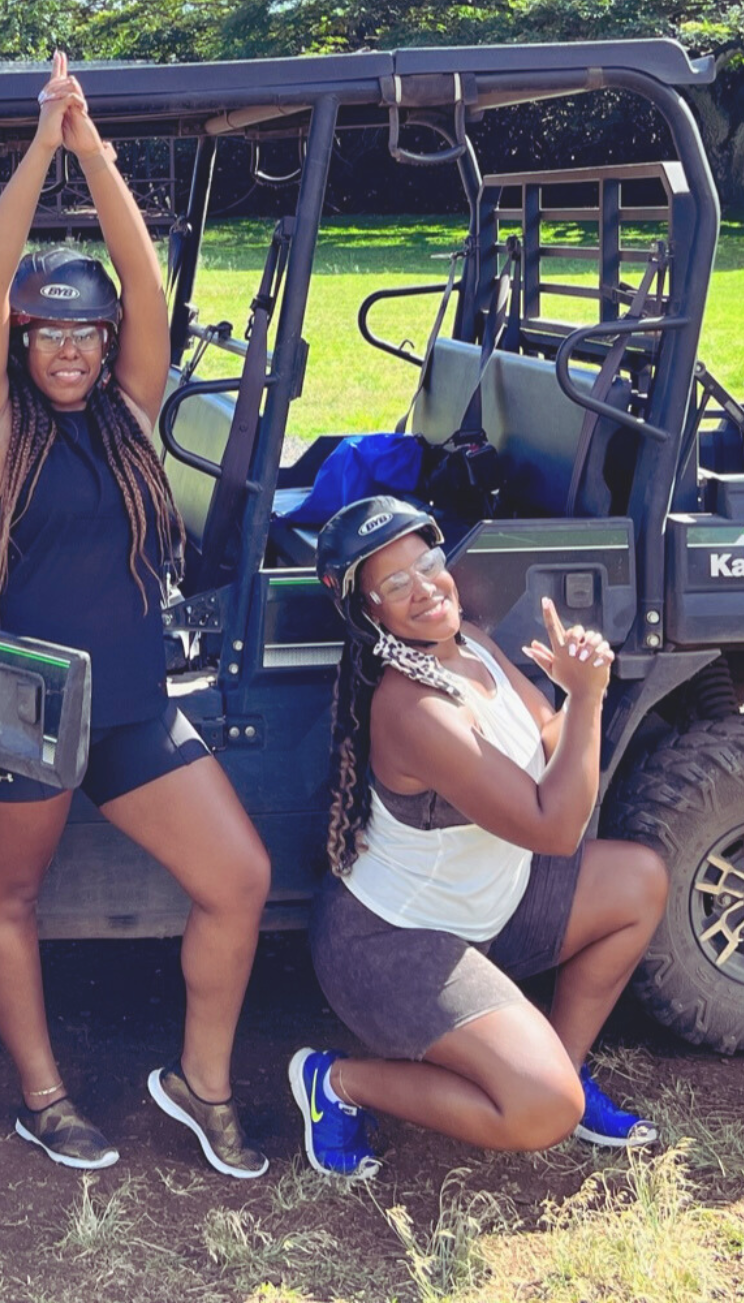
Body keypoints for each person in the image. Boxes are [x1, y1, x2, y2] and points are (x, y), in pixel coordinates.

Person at [0, 50, 272, 1177]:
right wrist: (39, 147)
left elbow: (144, 281)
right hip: (33, 709)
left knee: (237, 879)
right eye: (50, 333)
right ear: (22, 341)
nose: (72, 349)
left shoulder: (133, 412)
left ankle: (201, 1084)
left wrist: (93, 153)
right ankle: (44, 1098)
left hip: (132, 705)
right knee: (10, 896)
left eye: (86, 332)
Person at [288, 495, 667, 1178]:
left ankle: (563, 1066)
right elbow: (556, 827)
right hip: (393, 946)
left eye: (428, 563)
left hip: (490, 911)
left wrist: (574, 693)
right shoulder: (413, 708)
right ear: (369, 612)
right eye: (394, 584)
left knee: (639, 881)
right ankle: (338, 1082)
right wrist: (587, 696)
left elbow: (550, 740)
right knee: (539, 1112)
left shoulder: (470, 644)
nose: (424, 588)